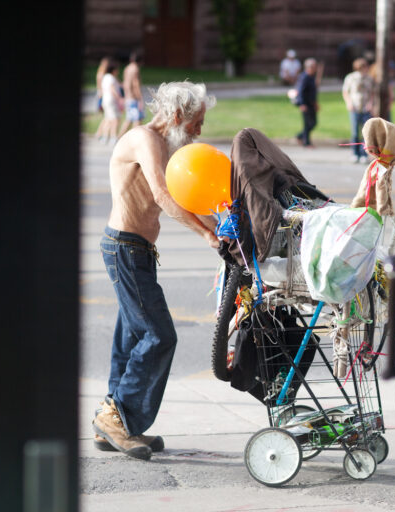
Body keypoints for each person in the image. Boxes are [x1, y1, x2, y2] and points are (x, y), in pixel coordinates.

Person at [92, 81, 220, 461]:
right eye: (197, 121)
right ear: (178, 115)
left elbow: (186, 194)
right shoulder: (144, 139)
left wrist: (224, 223)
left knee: (132, 337)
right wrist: (206, 234)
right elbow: (165, 195)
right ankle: (117, 420)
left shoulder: (169, 146)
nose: (200, 130)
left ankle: (118, 423)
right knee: (158, 334)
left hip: (138, 251)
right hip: (124, 247)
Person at [342, 57, 374, 163]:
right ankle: (355, 153)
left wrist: (370, 103)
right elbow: (346, 92)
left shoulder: (369, 78)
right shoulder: (351, 78)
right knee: (355, 131)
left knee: (365, 132)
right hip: (355, 106)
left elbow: (372, 92)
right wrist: (349, 103)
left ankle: (363, 153)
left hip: (365, 107)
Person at [95, 60, 123, 144]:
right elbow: (112, 89)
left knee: (108, 118)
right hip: (111, 100)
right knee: (115, 119)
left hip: (105, 100)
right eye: (117, 69)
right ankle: (113, 137)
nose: (118, 71)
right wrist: (119, 98)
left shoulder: (105, 77)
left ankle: (105, 136)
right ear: (114, 70)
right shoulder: (111, 77)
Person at [118, 51, 145, 137]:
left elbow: (125, 83)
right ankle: (135, 137)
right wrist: (140, 99)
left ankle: (119, 137)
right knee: (138, 119)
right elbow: (135, 84)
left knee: (129, 119)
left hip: (128, 97)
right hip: (134, 98)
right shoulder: (135, 69)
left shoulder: (127, 68)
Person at [294, 58, 319, 148]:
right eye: (314, 67)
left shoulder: (312, 77)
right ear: (309, 67)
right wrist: (302, 104)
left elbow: (313, 92)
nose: (316, 68)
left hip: (311, 104)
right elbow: (300, 91)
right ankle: (306, 142)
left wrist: (316, 103)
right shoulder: (304, 77)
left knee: (313, 123)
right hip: (305, 104)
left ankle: (300, 136)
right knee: (308, 123)